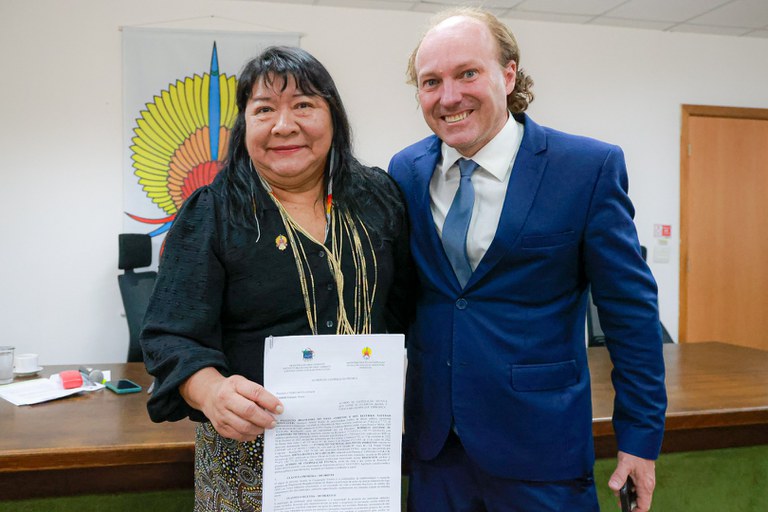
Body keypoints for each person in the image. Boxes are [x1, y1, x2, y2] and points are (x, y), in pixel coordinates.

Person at [388, 7, 666, 512]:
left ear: (508, 73)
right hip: (436, 454)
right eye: (431, 81)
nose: (449, 96)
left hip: (542, 452)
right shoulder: (405, 171)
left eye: (467, 73)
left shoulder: (586, 169)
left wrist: (640, 441)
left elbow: (631, 315)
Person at [141, 46, 411, 512]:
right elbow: (170, 336)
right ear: (245, 124)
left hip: (360, 448)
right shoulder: (214, 211)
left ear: (334, 118)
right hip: (250, 457)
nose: (284, 125)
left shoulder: (378, 196)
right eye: (264, 109)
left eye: (304, 104)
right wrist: (212, 390)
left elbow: (406, 306)